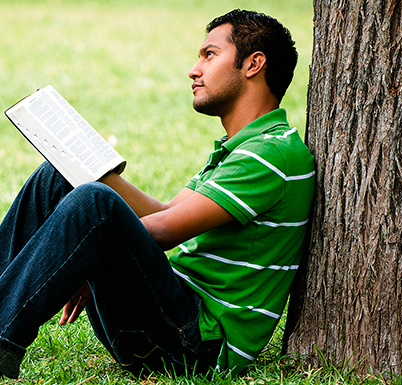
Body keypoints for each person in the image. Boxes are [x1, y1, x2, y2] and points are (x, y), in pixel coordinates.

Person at [0, 9, 314, 379]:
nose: (193, 70)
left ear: (253, 64)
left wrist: (87, 251)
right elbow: (164, 211)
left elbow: (164, 231)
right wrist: (86, 167)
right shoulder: (243, 149)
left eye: (209, 55)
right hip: (168, 319)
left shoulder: (271, 155)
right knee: (59, 175)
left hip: (198, 347)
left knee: (94, 204)